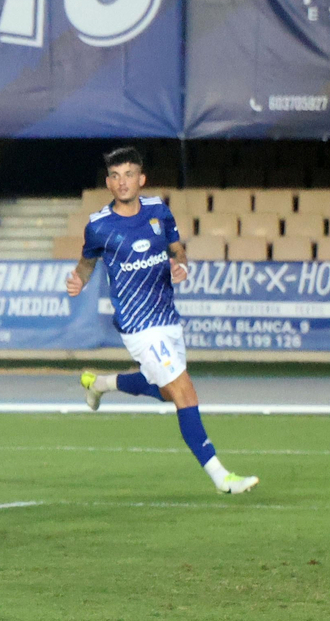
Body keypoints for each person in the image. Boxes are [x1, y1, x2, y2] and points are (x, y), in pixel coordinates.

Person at [68, 146, 259, 495]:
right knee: (185, 391)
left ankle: (101, 384)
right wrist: (78, 280)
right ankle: (222, 477)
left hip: (167, 318)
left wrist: (180, 263)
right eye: (115, 176)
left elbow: (176, 249)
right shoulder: (99, 226)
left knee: (168, 391)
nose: (122, 181)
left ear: (141, 179)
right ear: (108, 184)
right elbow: (86, 263)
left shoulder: (159, 211)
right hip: (138, 325)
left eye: (129, 174)